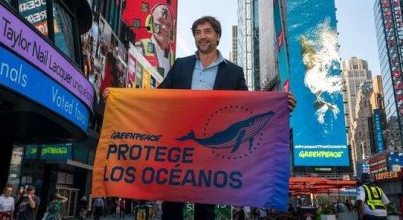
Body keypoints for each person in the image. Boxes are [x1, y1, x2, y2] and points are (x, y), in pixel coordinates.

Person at [104, 16, 296, 220]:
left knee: (205, 208)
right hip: (178, 150)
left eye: (207, 31)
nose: (202, 36)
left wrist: (279, 106)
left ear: (218, 36)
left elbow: (247, 106)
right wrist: (119, 97)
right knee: (172, 204)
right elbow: (157, 97)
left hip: (210, 154)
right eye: (198, 32)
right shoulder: (181, 65)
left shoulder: (234, 72)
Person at [136, 4, 175, 77]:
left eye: (168, 25)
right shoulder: (140, 48)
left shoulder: (173, 60)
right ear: (150, 22)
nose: (165, 27)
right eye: (161, 21)